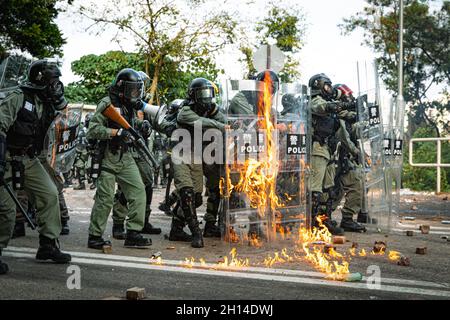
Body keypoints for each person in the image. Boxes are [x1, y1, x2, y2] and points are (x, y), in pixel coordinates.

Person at [0, 59, 72, 274]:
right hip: (7, 158)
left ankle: (48, 245)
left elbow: (62, 125)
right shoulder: (18, 98)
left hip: (29, 159)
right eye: (53, 81)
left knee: (50, 194)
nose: (56, 86)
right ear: (40, 81)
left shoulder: (46, 103)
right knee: (6, 210)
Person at [86, 68, 151, 249]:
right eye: (133, 89)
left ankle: (133, 233)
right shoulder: (107, 103)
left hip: (125, 156)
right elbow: (93, 130)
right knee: (105, 198)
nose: (136, 93)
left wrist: (142, 125)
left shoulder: (128, 105)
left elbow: (130, 124)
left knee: (138, 191)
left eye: (138, 89)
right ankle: (95, 236)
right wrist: (116, 132)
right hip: (107, 156)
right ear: (122, 87)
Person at [170, 78, 228, 248]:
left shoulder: (210, 110)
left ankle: (176, 228)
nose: (206, 98)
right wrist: (220, 125)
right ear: (193, 95)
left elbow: (225, 120)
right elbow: (202, 123)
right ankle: (196, 233)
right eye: (202, 94)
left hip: (197, 155)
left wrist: (219, 115)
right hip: (180, 154)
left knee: (196, 199)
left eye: (209, 94)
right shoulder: (185, 111)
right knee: (187, 192)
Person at [308, 73, 356, 235]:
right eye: (327, 85)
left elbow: (345, 115)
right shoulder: (315, 101)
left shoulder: (329, 103)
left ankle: (324, 219)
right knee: (315, 188)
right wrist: (334, 106)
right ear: (319, 86)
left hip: (327, 151)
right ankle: (312, 222)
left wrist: (354, 109)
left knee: (328, 189)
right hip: (317, 149)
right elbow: (321, 107)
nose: (330, 89)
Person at [329, 84, 367, 232]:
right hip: (340, 158)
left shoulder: (345, 117)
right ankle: (346, 219)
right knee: (355, 186)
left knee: (336, 190)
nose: (351, 101)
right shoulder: (339, 116)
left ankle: (326, 217)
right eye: (348, 98)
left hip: (339, 158)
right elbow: (344, 138)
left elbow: (355, 128)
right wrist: (358, 153)